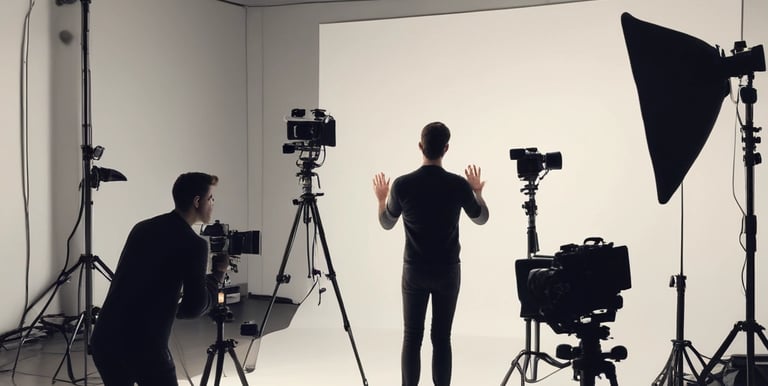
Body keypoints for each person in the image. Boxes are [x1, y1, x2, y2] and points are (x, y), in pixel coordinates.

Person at [372, 122, 489, 386]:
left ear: (420, 146)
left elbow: (386, 222)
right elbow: (481, 218)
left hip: (414, 270)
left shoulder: (402, 185)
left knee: (412, 336)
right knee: (442, 337)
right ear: (446, 148)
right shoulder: (458, 184)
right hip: (447, 270)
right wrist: (478, 193)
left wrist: (381, 198)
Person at [91, 172, 228, 386]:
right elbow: (194, 307)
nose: (213, 203)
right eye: (211, 198)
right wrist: (217, 276)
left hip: (105, 338)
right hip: (145, 348)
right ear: (197, 201)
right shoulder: (194, 244)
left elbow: (147, 280)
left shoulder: (142, 228)